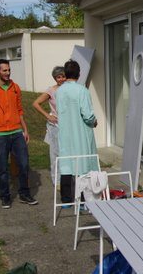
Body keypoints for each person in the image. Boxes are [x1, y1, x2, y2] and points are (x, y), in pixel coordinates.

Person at [0, 59, 38, 209]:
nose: (7, 73)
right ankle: (5, 197)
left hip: (17, 132)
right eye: (4, 70)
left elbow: (20, 110)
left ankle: (24, 194)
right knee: (2, 167)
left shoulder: (15, 88)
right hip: (0, 134)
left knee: (24, 164)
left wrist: (25, 129)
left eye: (9, 70)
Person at [56, 60, 98, 204]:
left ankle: (66, 198)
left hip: (66, 133)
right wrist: (94, 122)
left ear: (65, 74)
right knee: (83, 165)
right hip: (80, 133)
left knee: (66, 163)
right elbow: (87, 115)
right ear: (79, 74)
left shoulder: (59, 91)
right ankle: (82, 200)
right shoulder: (82, 91)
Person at [32, 66, 66, 187]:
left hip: (67, 126)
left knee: (66, 154)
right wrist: (48, 115)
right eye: (59, 77)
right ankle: (57, 181)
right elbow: (36, 103)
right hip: (55, 126)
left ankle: (67, 179)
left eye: (63, 76)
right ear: (55, 78)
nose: (61, 79)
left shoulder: (69, 89)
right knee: (55, 153)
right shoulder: (51, 90)